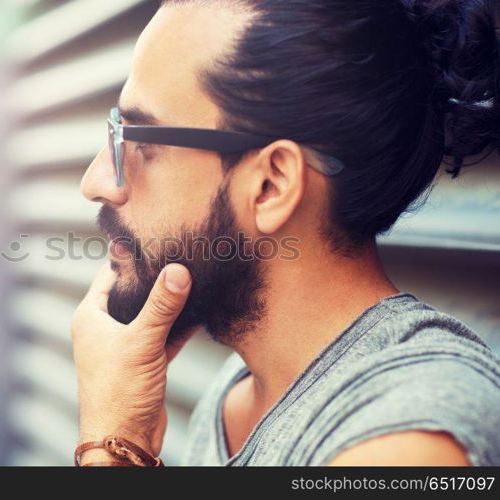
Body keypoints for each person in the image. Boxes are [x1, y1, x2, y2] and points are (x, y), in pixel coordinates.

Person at [71, 0, 500, 466]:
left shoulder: (404, 440)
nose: (95, 184)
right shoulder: (237, 394)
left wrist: (111, 443)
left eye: (142, 144)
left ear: (271, 185)